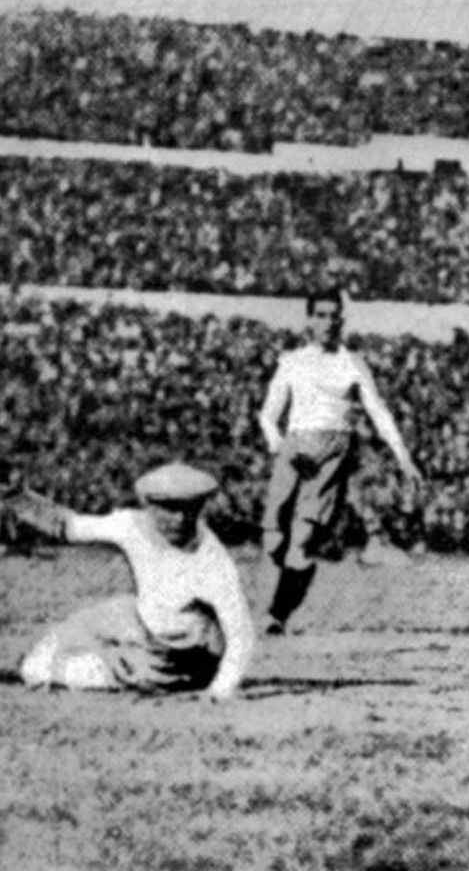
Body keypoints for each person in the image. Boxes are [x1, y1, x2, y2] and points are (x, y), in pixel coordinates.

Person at [257, 288, 423, 635]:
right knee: (274, 541)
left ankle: (278, 615)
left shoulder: (351, 362)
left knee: (301, 541)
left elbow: (379, 411)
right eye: (320, 315)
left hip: (332, 452)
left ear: (341, 320)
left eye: (334, 315)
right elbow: (268, 416)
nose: (328, 322)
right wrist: (280, 447)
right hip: (293, 450)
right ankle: (281, 600)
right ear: (309, 320)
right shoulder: (292, 361)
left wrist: (404, 458)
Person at [14, 463, 254, 701]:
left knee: (44, 671)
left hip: (175, 658)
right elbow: (69, 526)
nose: (180, 519)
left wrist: (221, 689)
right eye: (169, 508)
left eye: (190, 509)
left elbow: (240, 632)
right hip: (140, 618)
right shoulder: (132, 525)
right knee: (82, 628)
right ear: (148, 505)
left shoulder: (212, 559)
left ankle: (77, 666)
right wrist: (15, 496)